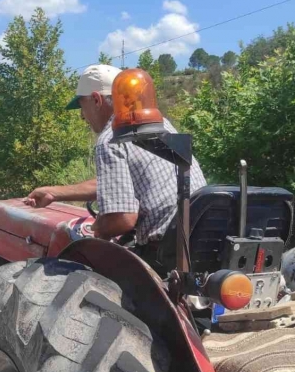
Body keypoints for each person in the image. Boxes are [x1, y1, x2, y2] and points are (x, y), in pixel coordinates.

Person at [24, 64, 207, 250]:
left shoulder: (111, 138)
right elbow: (119, 182)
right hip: (200, 237)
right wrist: (54, 193)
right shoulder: (160, 125)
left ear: (96, 99)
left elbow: (122, 218)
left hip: (164, 251)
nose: (81, 116)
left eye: (82, 106)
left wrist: (96, 229)